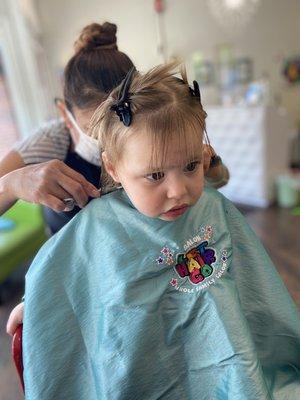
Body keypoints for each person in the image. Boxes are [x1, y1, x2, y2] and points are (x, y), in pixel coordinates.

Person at [22, 63, 299, 399]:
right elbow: (61, 282)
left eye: (190, 166)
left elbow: (258, 294)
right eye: (155, 176)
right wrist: (34, 303)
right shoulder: (97, 228)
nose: (178, 190)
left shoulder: (212, 207)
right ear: (113, 167)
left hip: (229, 368)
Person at [0, 21, 228, 235]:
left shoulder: (151, 128)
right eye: (95, 128)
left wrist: (202, 164)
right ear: (65, 114)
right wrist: (11, 185)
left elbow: (219, 180)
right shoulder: (50, 142)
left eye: (121, 121)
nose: (109, 137)